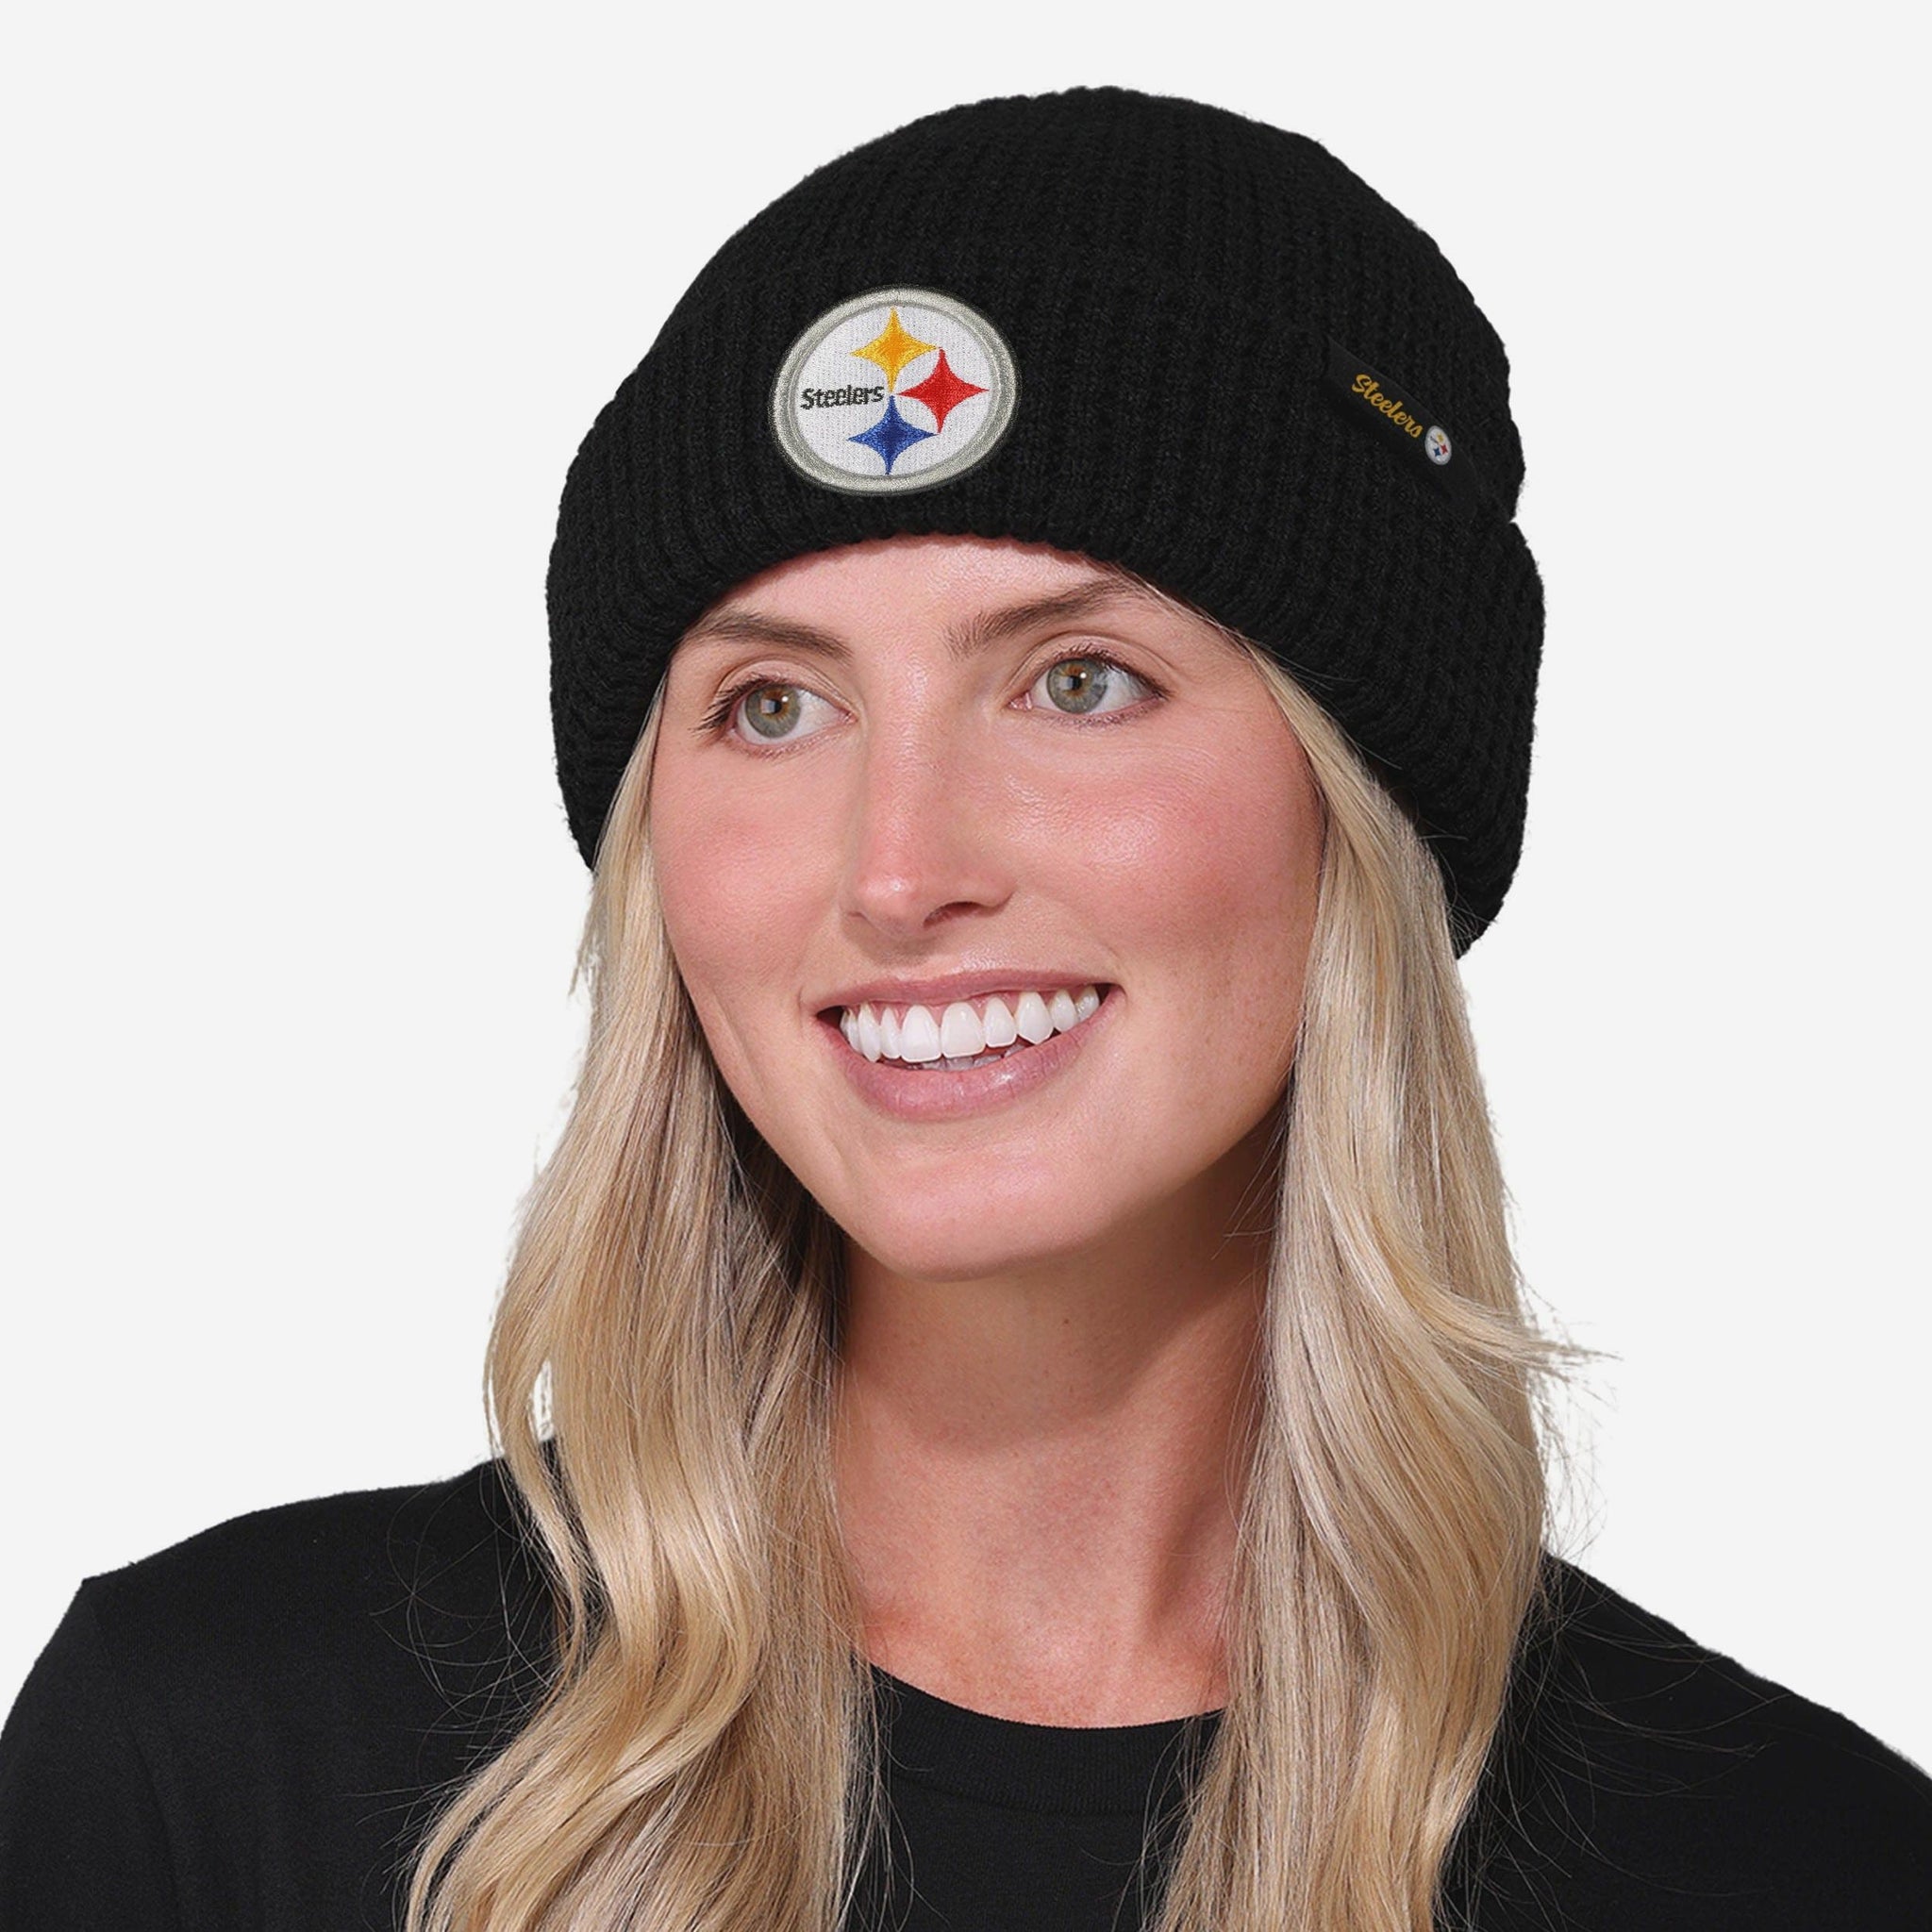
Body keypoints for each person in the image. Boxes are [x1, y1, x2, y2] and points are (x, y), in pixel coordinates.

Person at [2, 84, 1927, 1932]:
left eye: (1079, 681)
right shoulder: (208, 1764)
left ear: (1363, 813)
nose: (897, 868)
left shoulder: (1803, 1873)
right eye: (773, 705)